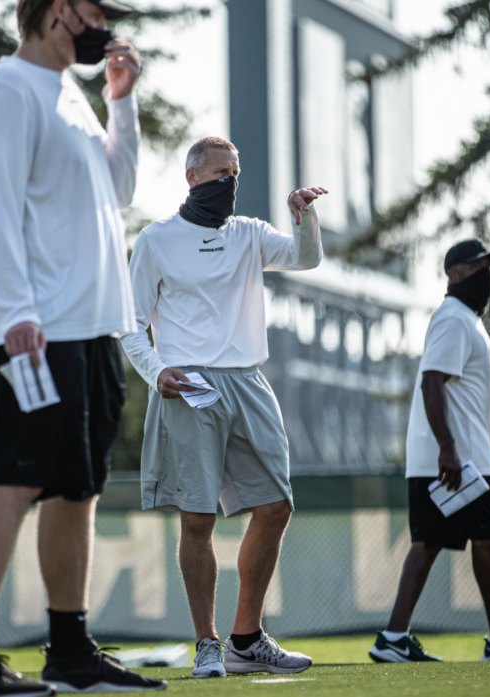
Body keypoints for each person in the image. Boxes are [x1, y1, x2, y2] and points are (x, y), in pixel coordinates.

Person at [0, 0, 167, 695]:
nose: (107, 24)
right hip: (37, 327)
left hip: (95, 328)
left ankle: (69, 650)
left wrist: (121, 105)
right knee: (12, 476)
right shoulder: (6, 90)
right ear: (59, 9)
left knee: (78, 488)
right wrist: (15, 311)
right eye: (99, 10)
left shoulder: (70, 93)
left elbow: (117, 189)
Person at [120, 137, 326, 679]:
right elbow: (130, 324)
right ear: (192, 178)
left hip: (249, 381)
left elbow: (306, 258)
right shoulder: (157, 240)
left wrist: (303, 216)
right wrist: (158, 371)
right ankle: (207, 644)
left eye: (235, 172)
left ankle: (246, 639)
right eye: (218, 173)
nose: (229, 182)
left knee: (276, 506)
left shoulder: (251, 233)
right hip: (187, 386)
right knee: (197, 517)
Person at [368, 239, 490, 664]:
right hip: (455, 461)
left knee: (434, 542)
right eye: (476, 267)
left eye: (488, 266)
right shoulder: (453, 319)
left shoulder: (467, 321)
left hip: (462, 456)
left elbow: (471, 398)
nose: (486, 275)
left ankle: (396, 637)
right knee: (482, 541)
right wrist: (448, 451)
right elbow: (431, 383)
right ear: (453, 275)